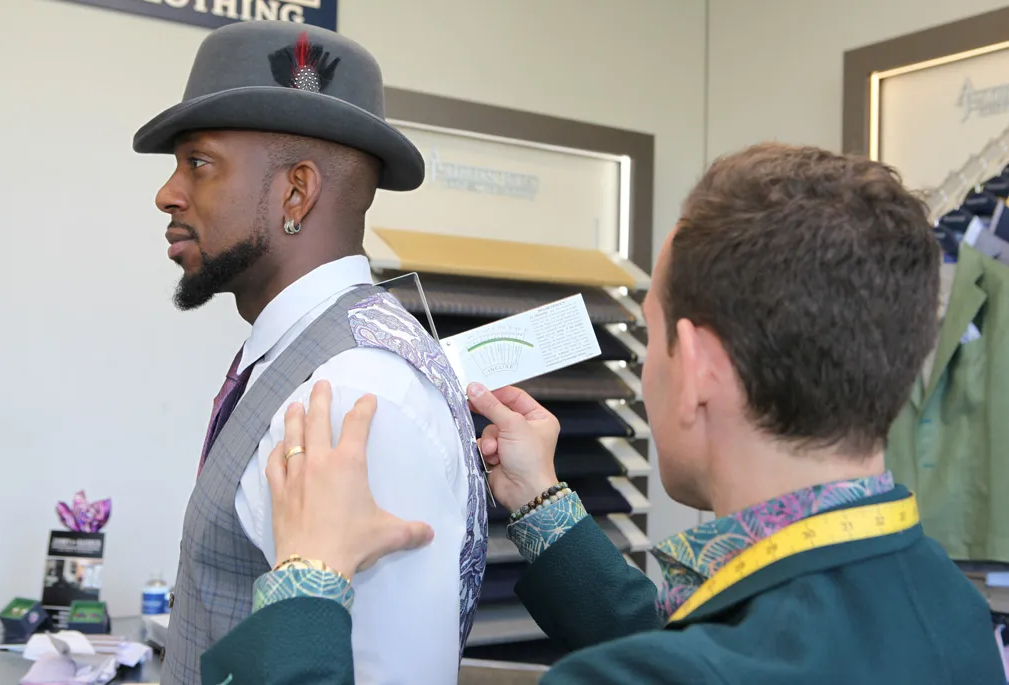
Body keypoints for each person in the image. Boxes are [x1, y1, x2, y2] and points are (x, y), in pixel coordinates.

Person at [200, 143, 1007, 685]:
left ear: (693, 367)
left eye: (649, 333)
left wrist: (305, 581)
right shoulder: (951, 611)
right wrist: (544, 505)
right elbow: (675, 634)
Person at [134, 21, 487, 685]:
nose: (168, 192)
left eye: (198, 162)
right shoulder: (297, 354)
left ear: (296, 191)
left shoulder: (356, 392)